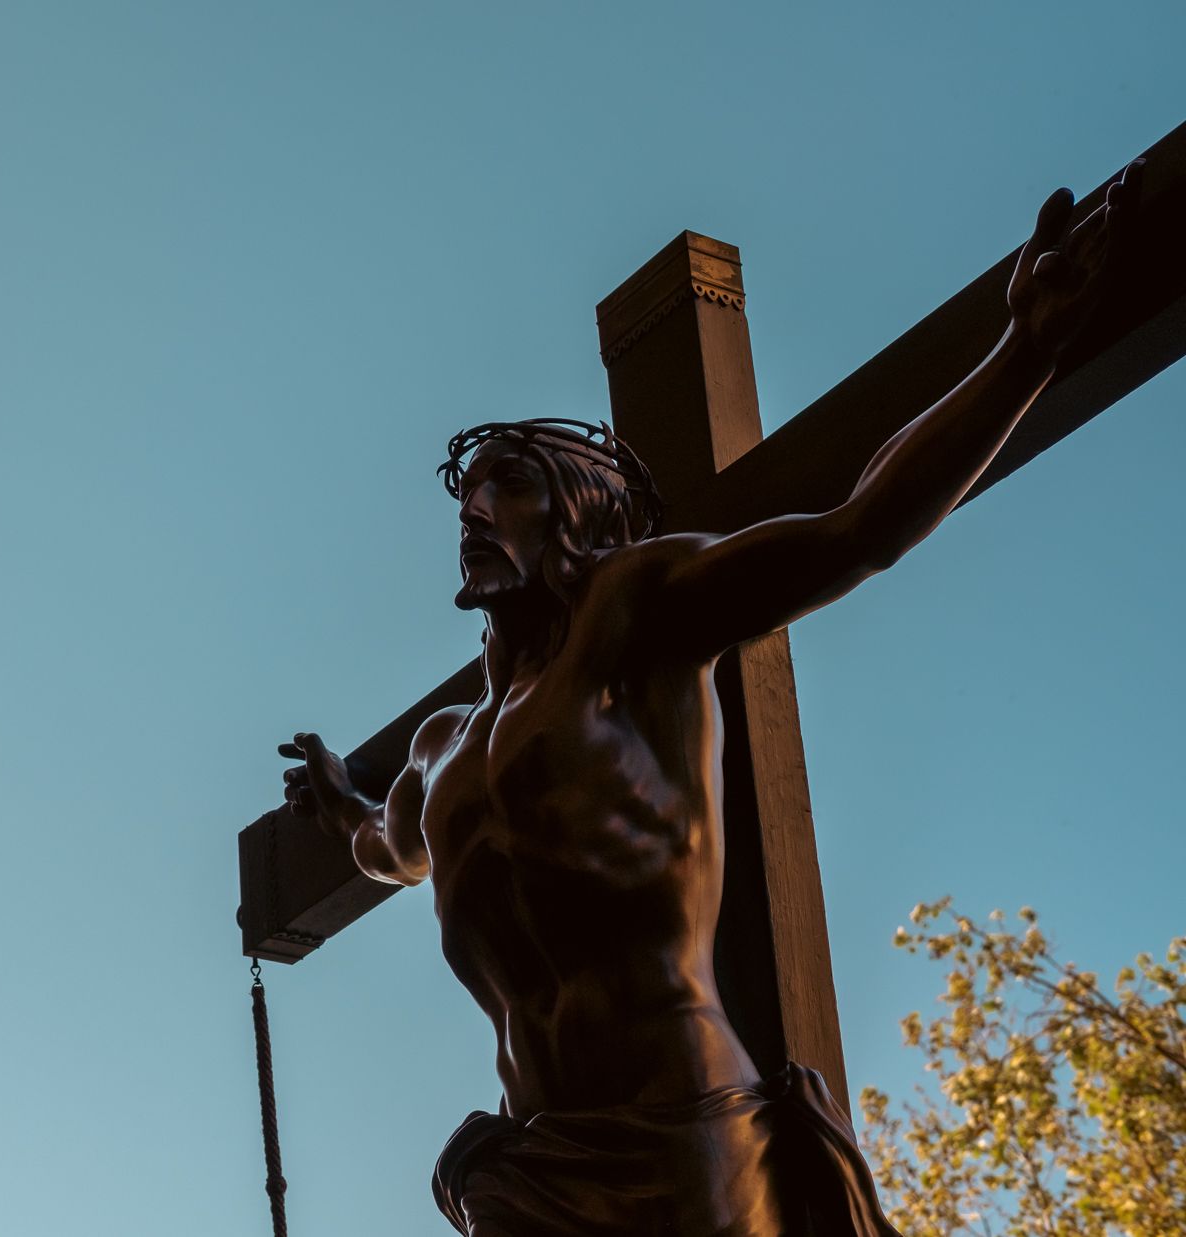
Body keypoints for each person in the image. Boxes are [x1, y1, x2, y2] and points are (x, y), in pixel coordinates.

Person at [280, 165, 1141, 1236]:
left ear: (579, 509)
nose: (471, 508)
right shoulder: (441, 746)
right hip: (534, 1164)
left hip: (683, 1137)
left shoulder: (635, 612)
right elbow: (388, 848)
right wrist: (337, 810)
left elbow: (857, 531)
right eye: (463, 493)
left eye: (502, 481)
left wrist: (1024, 352)